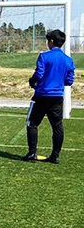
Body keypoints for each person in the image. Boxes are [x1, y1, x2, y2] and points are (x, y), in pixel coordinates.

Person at [22, 29, 75, 164]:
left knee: (32, 123)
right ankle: (55, 156)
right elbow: (69, 81)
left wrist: (31, 80)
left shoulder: (44, 56)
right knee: (57, 125)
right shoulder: (68, 60)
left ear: (51, 41)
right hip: (57, 96)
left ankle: (32, 152)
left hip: (41, 95)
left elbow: (38, 75)